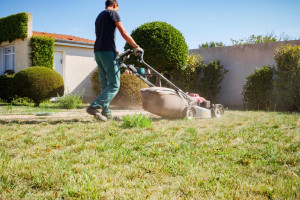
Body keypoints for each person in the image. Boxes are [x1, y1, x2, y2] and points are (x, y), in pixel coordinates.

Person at [87, 0, 143, 121]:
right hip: (107, 52)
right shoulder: (113, 13)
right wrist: (136, 46)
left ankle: (106, 112)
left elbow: (103, 36)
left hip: (98, 52)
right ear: (115, 5)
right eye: (118, 8)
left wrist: (115, 50)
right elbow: (123, 32)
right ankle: (93, 106)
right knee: (114, 85)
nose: (118, 10)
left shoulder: (99, 16)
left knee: (105, 84)